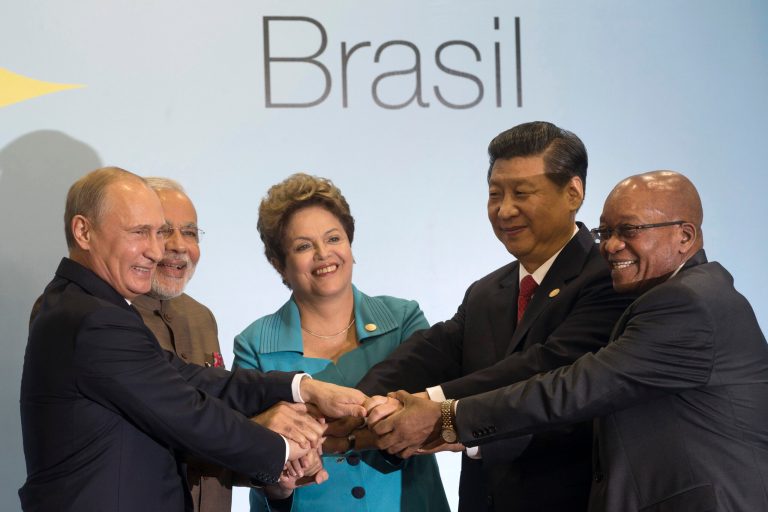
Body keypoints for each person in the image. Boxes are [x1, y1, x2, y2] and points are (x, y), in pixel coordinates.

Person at [370, 171, 768, 512]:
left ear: (685, 236)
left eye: (629, 231)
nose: (610, 246)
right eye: (605, 231)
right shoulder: (669, 297)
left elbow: (577, 387)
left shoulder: (686, 303)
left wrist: (445, 416)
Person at [19, 167, 367, 512]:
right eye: (141, 232)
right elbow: (188, 413)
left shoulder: (95, 307)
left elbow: (196, 380)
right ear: (84, 231)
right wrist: (287, 448)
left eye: (169, 232)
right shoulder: (90, 317)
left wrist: (303, 388)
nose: (157, 250)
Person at [357, 121, 635, 511]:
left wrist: (431, 407)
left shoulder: (609, 280)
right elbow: (430, 352)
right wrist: (354, 400)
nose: (504, 210)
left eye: (522, 193)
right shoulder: (487, 291)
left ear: (573, 192)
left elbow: (541, 369)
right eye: (494, 194)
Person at [233, 173, 450, 511]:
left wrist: (335, 440)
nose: (323, 254)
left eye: (333, 238)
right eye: (303, 246)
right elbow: (250, 456)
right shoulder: (254, 345)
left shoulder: (404, 319)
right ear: (280, 264)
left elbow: (431, 420)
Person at [132, 177, 232, 511]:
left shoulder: (202, 317)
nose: (178, 246)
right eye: (163, 231)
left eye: (189, 232)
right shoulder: (102, 316)